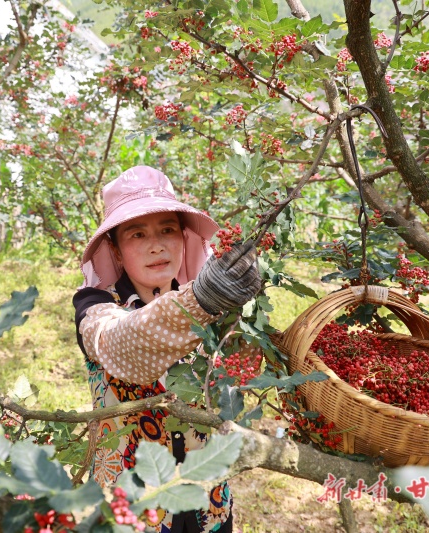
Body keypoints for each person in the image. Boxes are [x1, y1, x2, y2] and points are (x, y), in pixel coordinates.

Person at [73, 166, 262, 532]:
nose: (156, 245)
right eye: (137, 234)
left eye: (167, 230)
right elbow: (123, 344)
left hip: (208, 503)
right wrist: (201, 301)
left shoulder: (217, 308)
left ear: (183, 237)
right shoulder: (95, 306)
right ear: (115, 249)